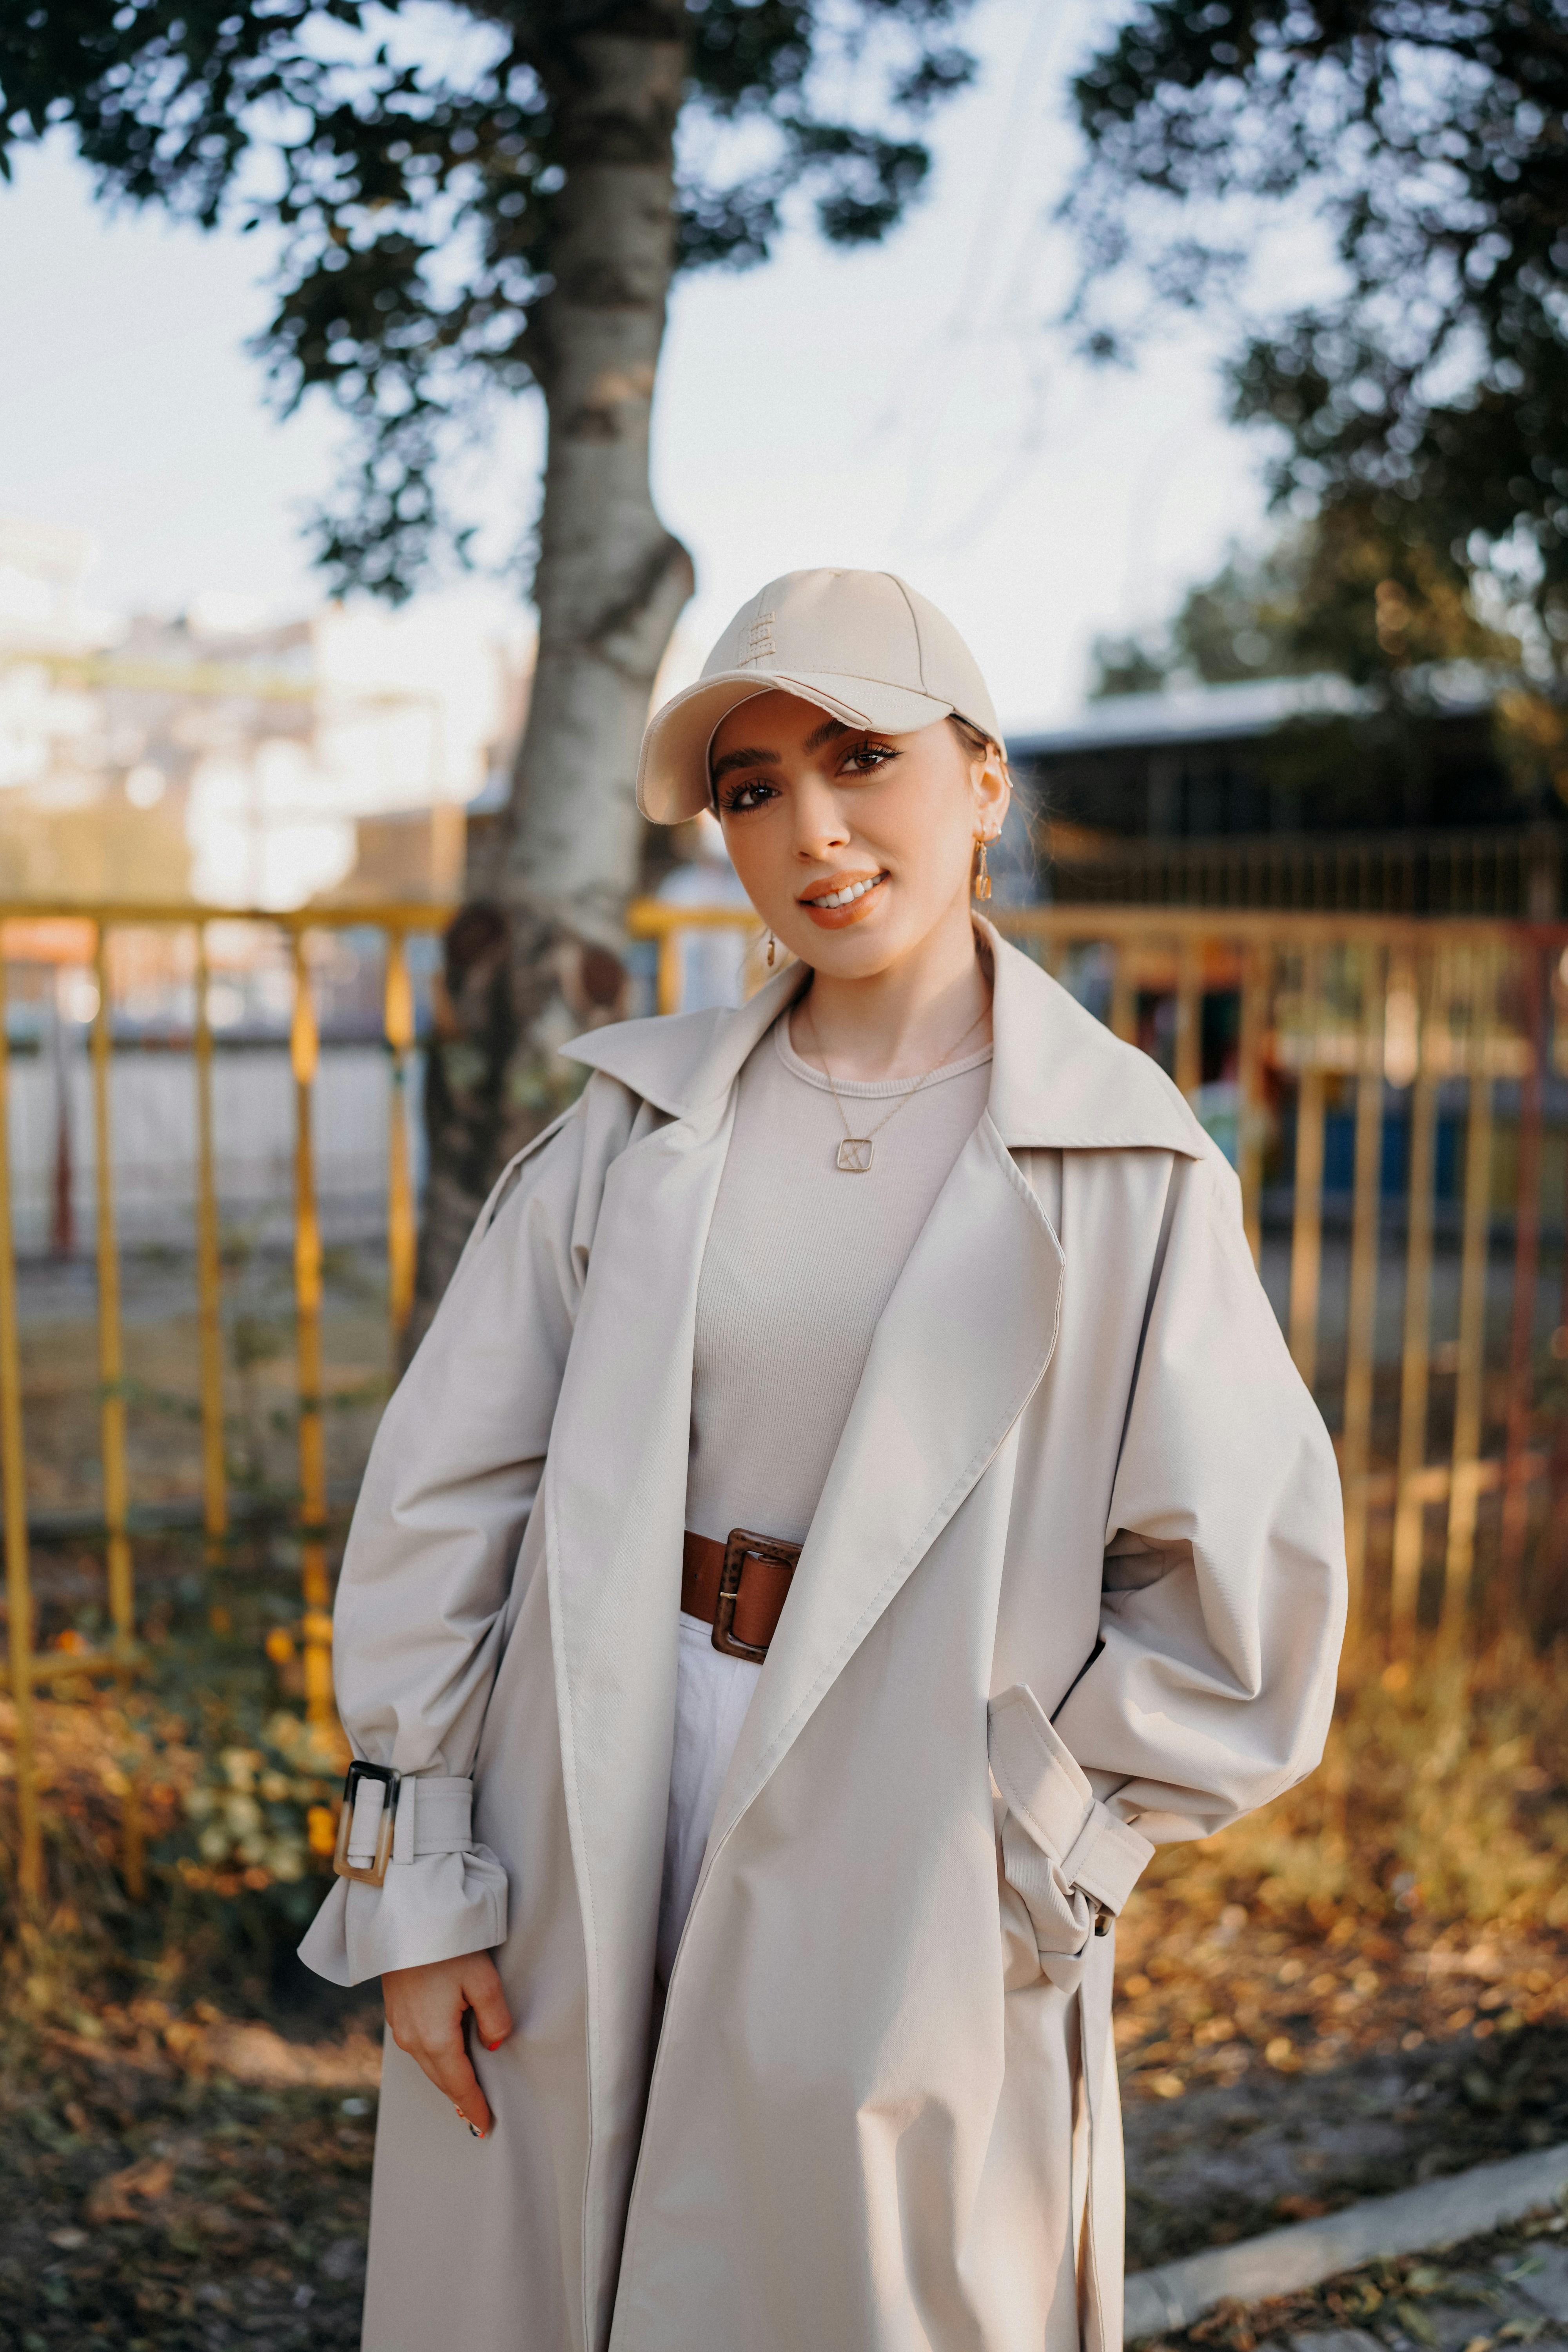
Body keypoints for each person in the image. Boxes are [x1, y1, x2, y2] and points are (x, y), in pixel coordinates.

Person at [299, 568, 1346, 2352]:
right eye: (755, 787)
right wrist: (420, 1881)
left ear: (985, 779)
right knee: (555, 2275)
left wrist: (1036, 1855)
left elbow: (1235, 1602)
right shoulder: (625, 1133)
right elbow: (440, 1509)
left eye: (864, 755)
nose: (814, 826)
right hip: (589, 1790)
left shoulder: (1124, 1168)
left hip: (922, 1832)